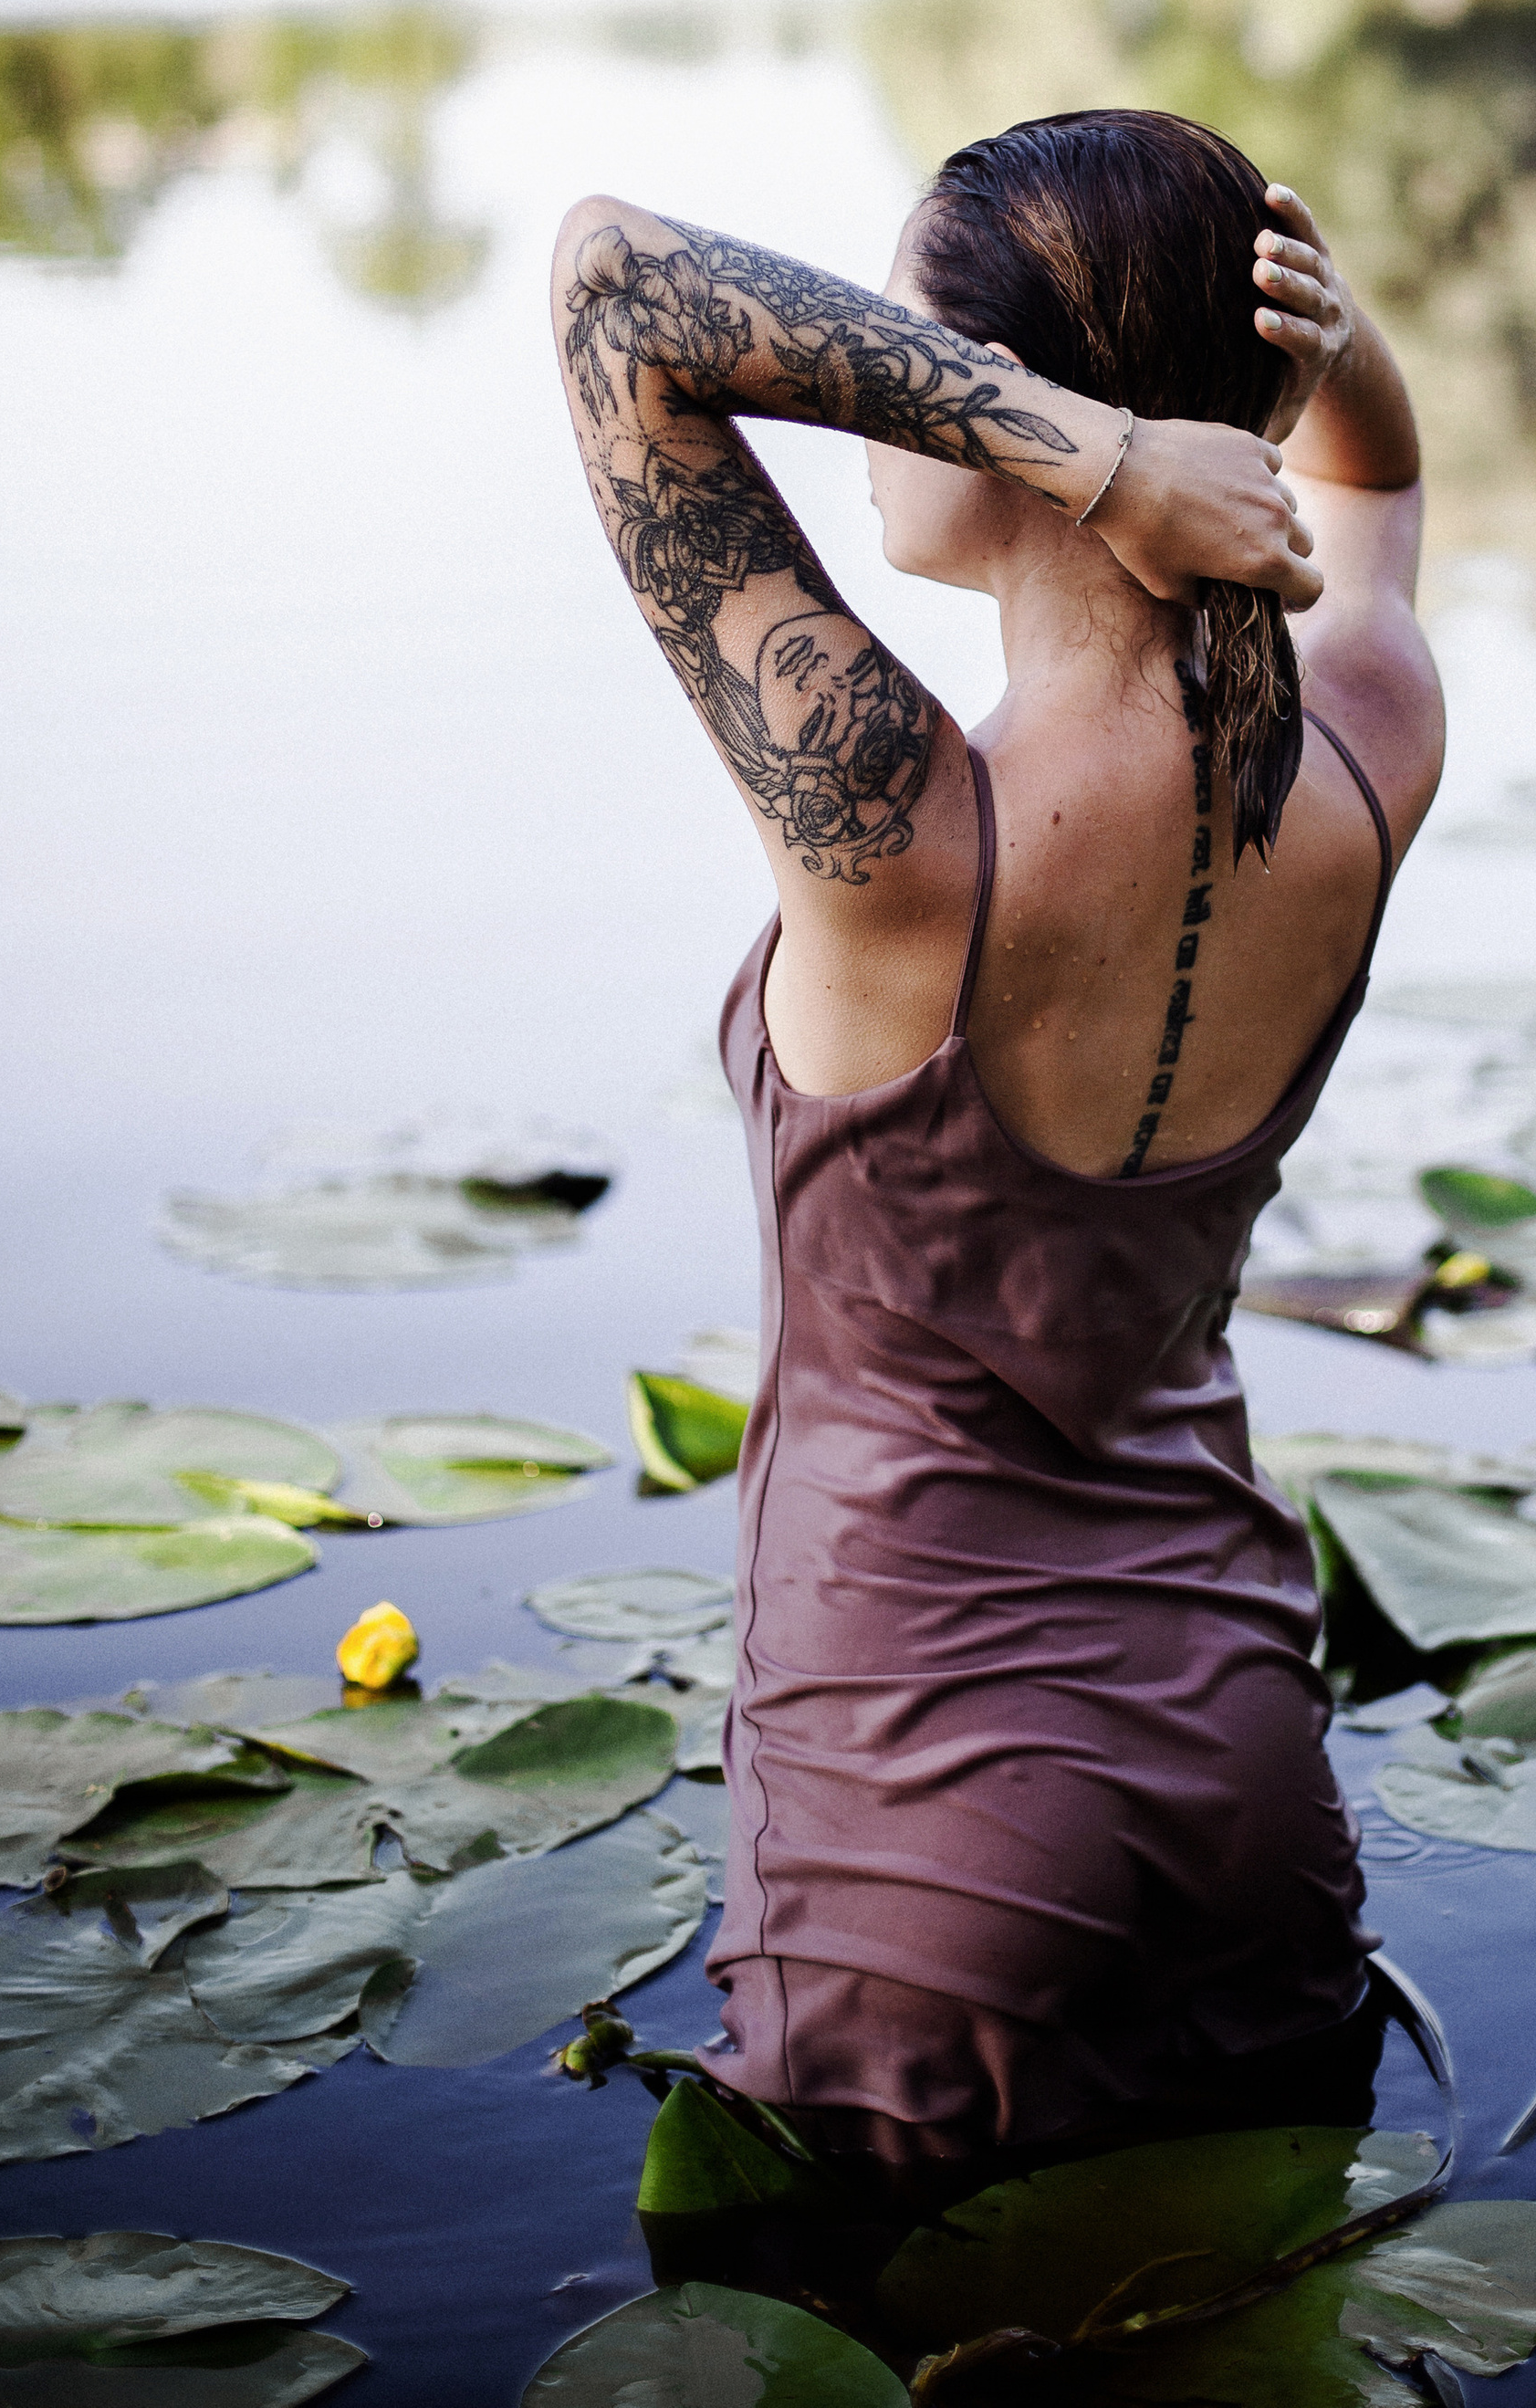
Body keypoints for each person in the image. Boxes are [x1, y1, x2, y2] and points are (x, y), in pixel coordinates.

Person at [550, 107, 1443, 2172]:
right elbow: (1376, 496)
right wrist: (1328, 355)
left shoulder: (892, 843)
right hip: (1244, 1779)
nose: (868, 374)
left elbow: (613, 282)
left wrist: (1104, 458)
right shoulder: (1366, 759)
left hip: (925, 1837)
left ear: (1012, 412)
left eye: (904, 342)